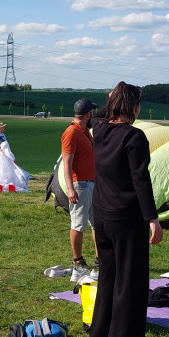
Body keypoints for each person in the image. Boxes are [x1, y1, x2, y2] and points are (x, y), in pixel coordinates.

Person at [89, 81, 163, 337]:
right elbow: (140, 180)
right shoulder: (134, 136)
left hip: (102, 215)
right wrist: (152, 219)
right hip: (127, 218)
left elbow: (98, 114)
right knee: (130, 281)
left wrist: (112, 98)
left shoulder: (99, 129)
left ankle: (100, 335)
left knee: (108, 275)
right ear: (133, 106)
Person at [62, 98, 98, 282]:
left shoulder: (84, 132)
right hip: (80, 185)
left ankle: (99, 261)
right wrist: (70, 188)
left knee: (97, 224)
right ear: (88, 114)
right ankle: (78, 262)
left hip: (92, 184)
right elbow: (66, 164)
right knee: (78, 224)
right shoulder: (71, 133)